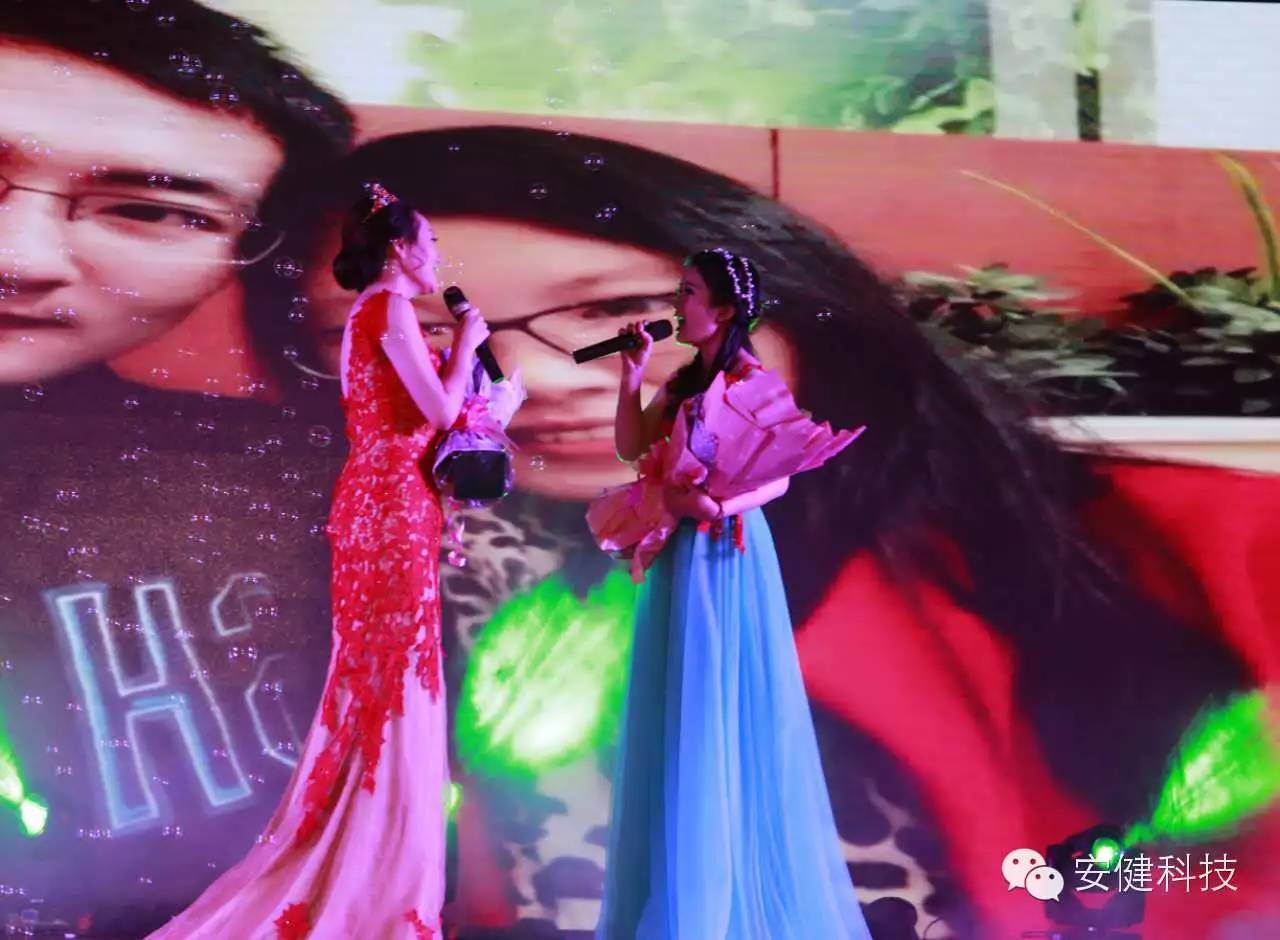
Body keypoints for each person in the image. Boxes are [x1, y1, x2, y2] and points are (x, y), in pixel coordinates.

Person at [273, 126, 1270, 938]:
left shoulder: (1223, 543)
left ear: (799, 307)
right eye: (432, 338)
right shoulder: (428, 589)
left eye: (621, 313)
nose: (530, 381)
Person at [146, 183, 491, 938]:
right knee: (391, 681)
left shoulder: (377, 312)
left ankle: (373, 871)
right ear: (398, 247)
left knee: (383, 680)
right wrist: (467, 348)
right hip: (388, 507)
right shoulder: (387, 308)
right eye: (429, 241)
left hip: (391, 501)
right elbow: (437, 413)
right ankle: (373, 881)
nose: (436, 256)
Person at [595, 248, 873, 939]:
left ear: (722, 310)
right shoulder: (683, 379)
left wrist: (716, 505)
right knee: (675, 708)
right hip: (678, 554)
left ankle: (721, 905)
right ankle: (677, 892)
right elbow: (631, 446)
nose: (676, 304)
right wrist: (631, 374)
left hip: (724, 552)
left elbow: (780, 472)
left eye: (687, 292)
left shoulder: (752, 382)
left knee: (716, 705)